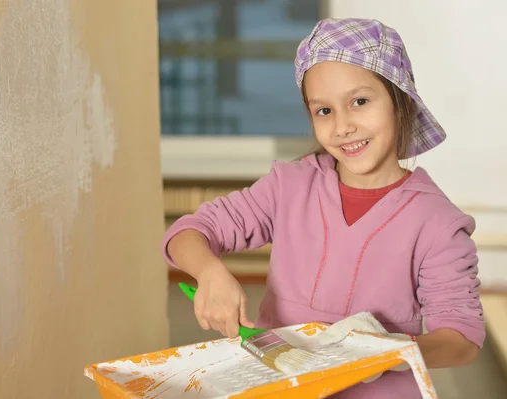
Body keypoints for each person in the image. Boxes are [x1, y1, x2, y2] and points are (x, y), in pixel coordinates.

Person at [162, 17, 484, 398]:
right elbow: (187, 234)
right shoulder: (289, 187)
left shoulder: (437, 222)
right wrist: (210, 272)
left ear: (402, 103)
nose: (342, 126)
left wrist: (382, 354)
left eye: (359, 102)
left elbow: (461, 338)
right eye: (324, 111)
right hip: (278, 388)